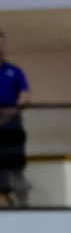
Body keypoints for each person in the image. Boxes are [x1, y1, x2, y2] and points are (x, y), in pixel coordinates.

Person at [0, 28, 31, 209]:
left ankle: (24, 207)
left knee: (17, 169)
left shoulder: (15, 71)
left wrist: (11, 110)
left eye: (1, 45)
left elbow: (25, 96)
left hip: (12, 126)